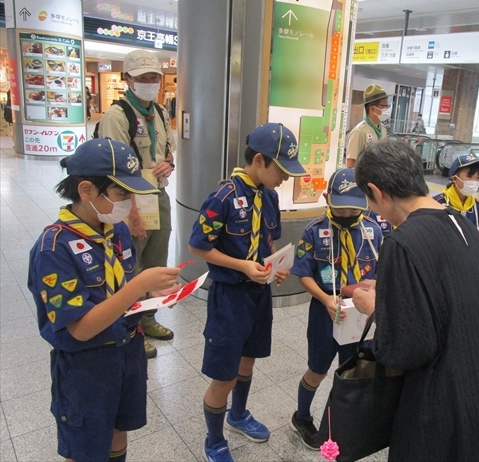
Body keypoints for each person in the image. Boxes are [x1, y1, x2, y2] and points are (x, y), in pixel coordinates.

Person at [351, 140, 479, 462]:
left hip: (448, 411)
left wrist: (376, 308)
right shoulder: (464, 225)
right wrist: (394, 291)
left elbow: (407, 348)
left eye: (367, 198)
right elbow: (447, 295)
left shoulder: (401, 243)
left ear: (377, 190)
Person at [27, 138, 181, 462]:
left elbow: (121, 292)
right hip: (86, 366)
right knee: (85, 445)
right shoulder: (53, 249)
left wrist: (152, 294)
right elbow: (81, 329)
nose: (129, 202)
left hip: (127, 353)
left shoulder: (116, 230)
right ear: (86, 191)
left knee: (118, 429)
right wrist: (139, 284)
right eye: (122, 194)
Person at [188, 123, 307, 462]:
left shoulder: (269, 197)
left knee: (248, 360)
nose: (286, 177)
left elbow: (266, 242)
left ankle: (238, 415)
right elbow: (198, 246)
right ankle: (214, 440)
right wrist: (242, 267)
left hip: (259, 296)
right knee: (223, 375)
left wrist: (275, 268)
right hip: (229, 298)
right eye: (281, 169)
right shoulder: (223, 197)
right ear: (259, 160)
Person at [289, 167, 382, 450]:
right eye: (340, 209)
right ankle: (301, 416)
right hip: (324, 312)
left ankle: (345, 420)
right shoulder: (315, 230)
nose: (347, 215)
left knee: (352, 371)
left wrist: (375, 288)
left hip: (360, 316)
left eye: (354, 209)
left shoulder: (373, 230)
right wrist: (325, 299)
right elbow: (304, 274)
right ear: (327, 198)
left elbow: (381, 271)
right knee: (317, 369)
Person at [98, 49, 176, 359]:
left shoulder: (157, 111)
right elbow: (115, 170)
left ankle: (149, 317)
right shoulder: (117, 116)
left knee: (155, 261)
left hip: (157, 194)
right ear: (127, 79)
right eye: (141, 78)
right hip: (130, 200)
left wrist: (169, 163)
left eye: (153, 77)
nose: (149, 82)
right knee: (131, 265)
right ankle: (132, 328)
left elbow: (167, 150)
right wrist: (131, 214)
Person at [433, 154, 479, 233]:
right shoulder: (437, 203)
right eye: (470, 176)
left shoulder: (477, 206)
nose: (474, 182)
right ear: (454, 178)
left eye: (478, 178)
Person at [346, 84, 390, 168]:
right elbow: (351, 163)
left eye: (388, 105)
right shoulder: (359, 131)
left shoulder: (383, 130)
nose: (387, 108)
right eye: (384, 105)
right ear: (372, 108)